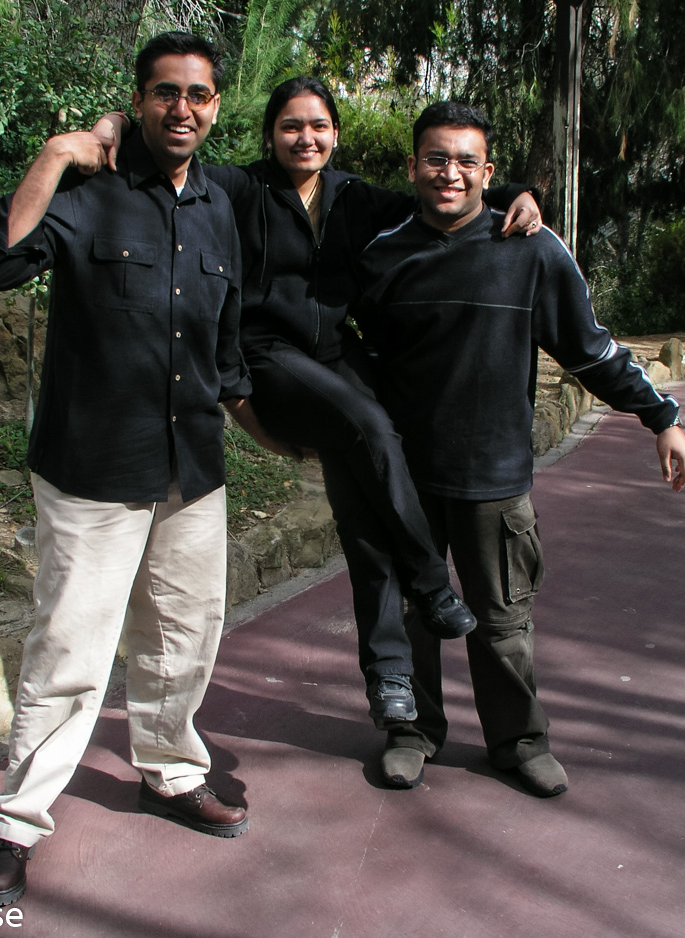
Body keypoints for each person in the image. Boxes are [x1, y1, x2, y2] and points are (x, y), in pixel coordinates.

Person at [93, 78, 543, 731]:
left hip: (337, 354)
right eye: (291, 127)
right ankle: (431, 583)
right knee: (368, 425)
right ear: (271, 134)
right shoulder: (241, 188)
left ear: (334, 134)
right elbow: (171, 157)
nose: (306, 138)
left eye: (318, 126)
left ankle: (390, 676)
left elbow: (442, 194)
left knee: (365, 505)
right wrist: (116, 124)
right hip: (268, 353)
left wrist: (516, 196)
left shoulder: (356, 197)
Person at [0, 32, 252, 907]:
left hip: (191, 469)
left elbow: (229, 340)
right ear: (138, 100)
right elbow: (0, 264)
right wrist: (56, 152)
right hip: (93, 466)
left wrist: (276, 434)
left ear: (215, 106)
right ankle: (17, 824)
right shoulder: (86, 191)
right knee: (69, 652)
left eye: (198, 95)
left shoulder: (219, 205)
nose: (183, 108)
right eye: (165, 93)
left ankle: (169, 771)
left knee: (183, 634)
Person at [354, 101, 685, 797]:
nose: (450, 174)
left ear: (488, 170)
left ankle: (518, 741)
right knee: (414, 615)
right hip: (405, 478)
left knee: (503, 620)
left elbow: (589, 350)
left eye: (466, 161)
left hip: (493, 474)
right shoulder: (381, 254)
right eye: (436, 159)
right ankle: (413, 733)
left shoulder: (531, 249)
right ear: (413, 165)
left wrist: (659, 416)